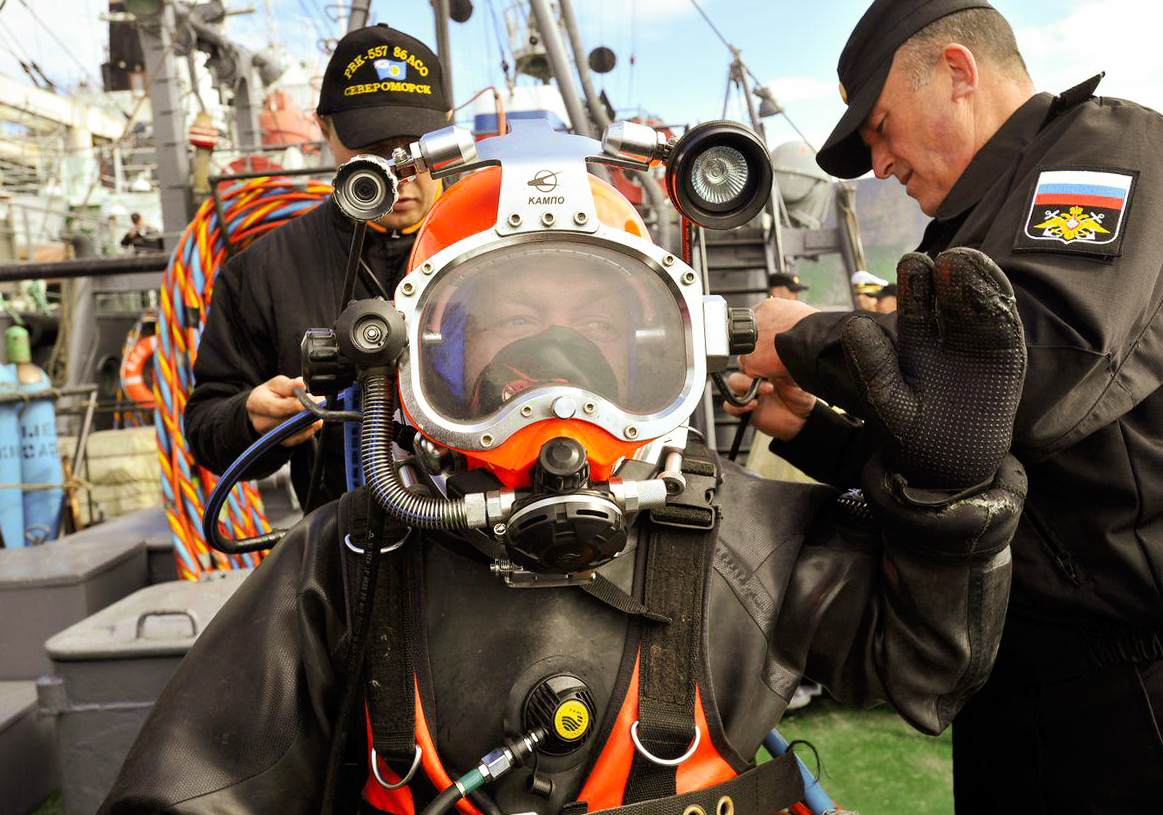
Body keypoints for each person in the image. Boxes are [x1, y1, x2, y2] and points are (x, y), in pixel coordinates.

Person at [99, 120, 1027, 815]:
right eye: (508, 316)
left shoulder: (741, 530)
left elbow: (921, 669)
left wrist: (948, 499)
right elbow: (192, 788)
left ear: (662, 337)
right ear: (424, 351)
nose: (552, 358)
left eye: (588, 314)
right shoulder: (350, 558)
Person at [735, 1, 1163, 811]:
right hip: (1011, 670)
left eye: (882, 127)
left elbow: (1030, 379)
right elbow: (947, 461)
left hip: (1125, 685)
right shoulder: (962, 232)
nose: (880, 162)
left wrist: (805, 336)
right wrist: (807, 430)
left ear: (958, 74)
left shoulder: (1105, 151)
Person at [184, 24, 448, 511]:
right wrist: (251, 416)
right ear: (324, 128)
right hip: (343, 547)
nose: (397, 169)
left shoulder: (494, 248)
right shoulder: (262, 270)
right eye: (372, 148)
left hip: (487, 540)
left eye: (416, 147)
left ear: (448, 131)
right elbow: (205, 428)